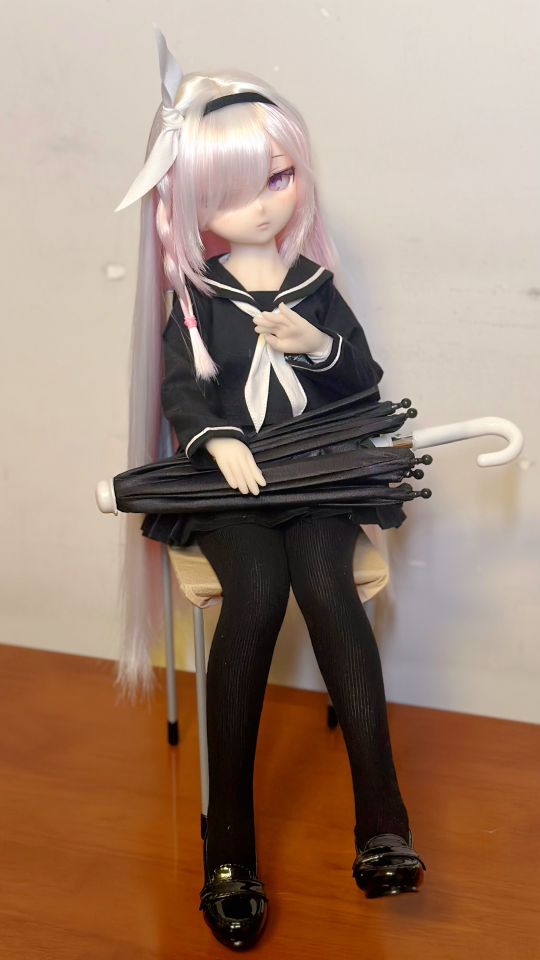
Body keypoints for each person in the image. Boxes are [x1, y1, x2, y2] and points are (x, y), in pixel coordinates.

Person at [117, 30, 425, 951]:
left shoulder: (315, 287)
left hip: (318, 474)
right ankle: (230, 848)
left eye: (279, 178)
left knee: (328, 588)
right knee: (254, 594)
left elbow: (362, 378)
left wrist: (318, 346)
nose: (262, 203)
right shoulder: (194, 298)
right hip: (232, 488)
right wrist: (212, 438)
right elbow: (182, 391)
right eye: (234, 191)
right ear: (193, 205)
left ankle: (383, 823)